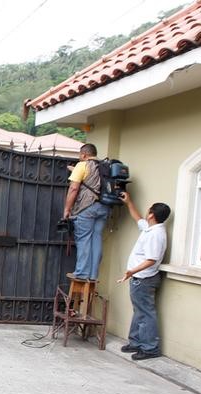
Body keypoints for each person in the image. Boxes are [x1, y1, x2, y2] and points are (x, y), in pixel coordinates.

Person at [116, 191, 171, 361]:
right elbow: (138, 219)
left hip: (144, 279)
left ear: (152, 214)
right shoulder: (151, 228)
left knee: (146, 313)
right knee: (139, 311)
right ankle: (136, 342)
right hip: (140, 278)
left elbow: (151, 259)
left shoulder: (156, 234)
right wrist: (129, 202)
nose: (146, 214)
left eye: (149, 211)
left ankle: (150, 348)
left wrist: (132, 271)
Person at [63, 143, 111, 281]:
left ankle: (82, 273)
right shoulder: (103, 166)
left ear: (84, 154)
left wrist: (67, 209)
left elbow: (73, 189)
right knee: (96, 238)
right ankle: (93, 275)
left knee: (84, 239)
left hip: (87, 207)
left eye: (80, 155)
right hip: (104, 207)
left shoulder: (82, 166)